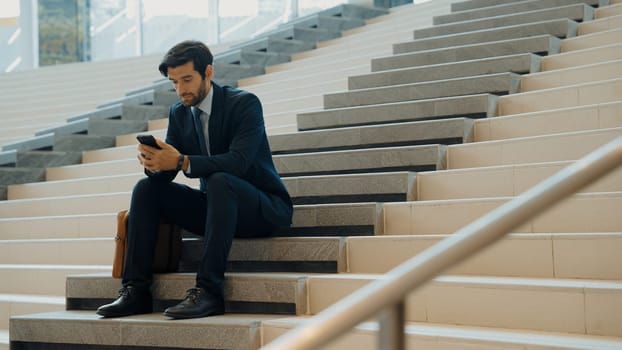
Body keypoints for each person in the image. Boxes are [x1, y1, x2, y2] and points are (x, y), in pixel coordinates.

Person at [96, 40, 293, 319]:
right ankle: (136, 290)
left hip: (262, 209)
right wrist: (155, 163)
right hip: (218, 207)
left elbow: (239, 162)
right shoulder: (180, 112)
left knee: (219, 180)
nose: (181, 89)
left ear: (208, 72)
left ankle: (209, 292)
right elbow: (171, 168)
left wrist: (180, 161)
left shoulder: (244, 104)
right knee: (147, 188)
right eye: (174, 82)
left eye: (187, 79)